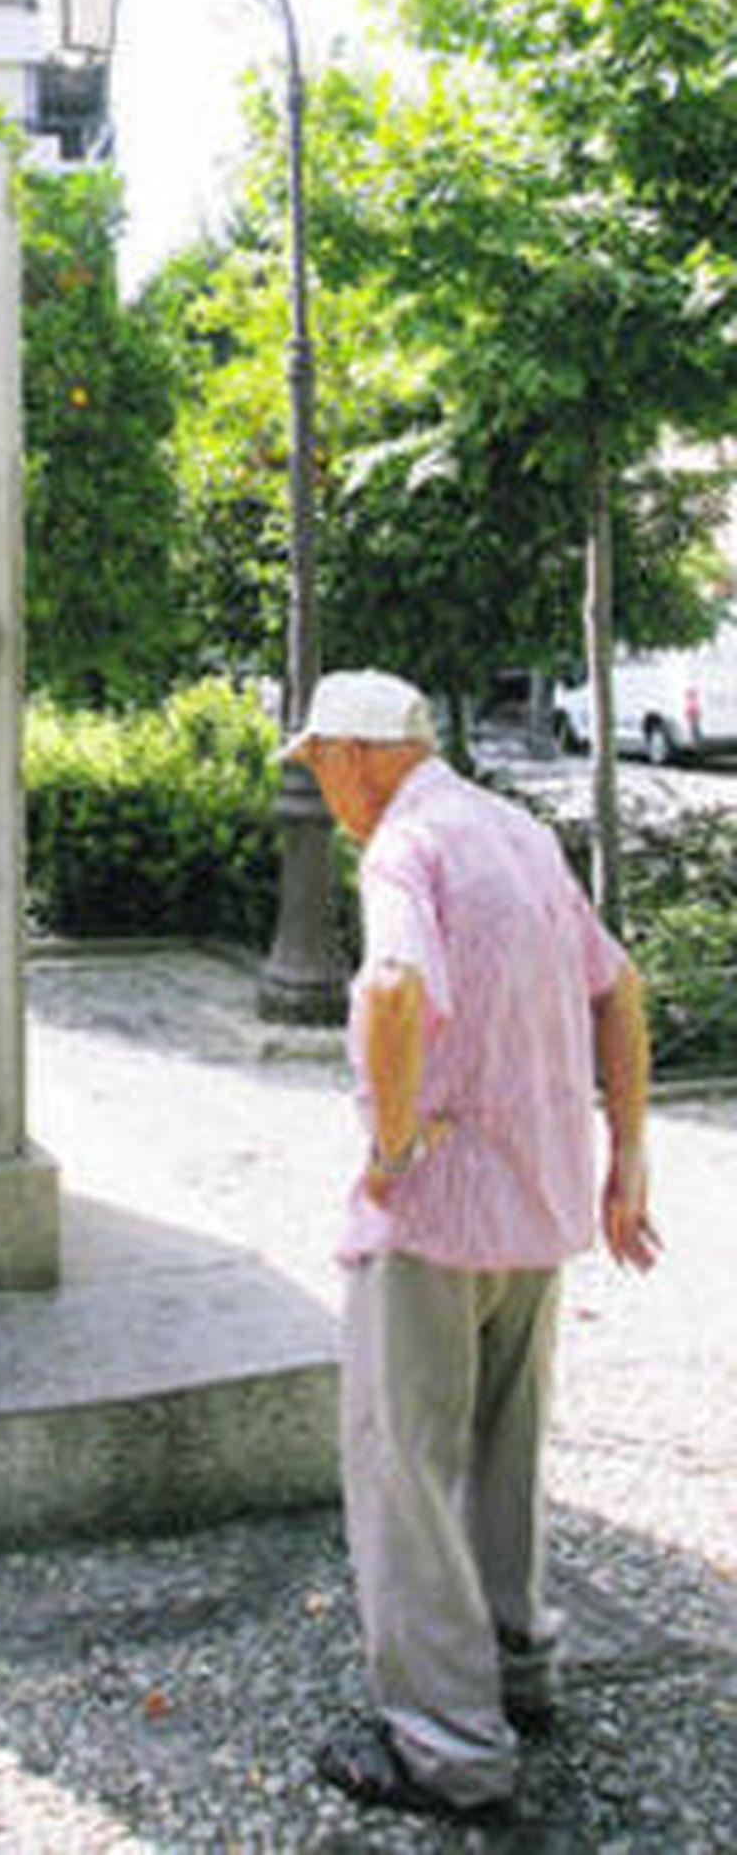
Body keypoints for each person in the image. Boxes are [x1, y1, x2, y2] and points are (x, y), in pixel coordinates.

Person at [284, 669, 660, 1823]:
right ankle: (517, 1669)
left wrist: (391, 1148)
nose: (320, 790)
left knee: (408, 1471)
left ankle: (448, 1749)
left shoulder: (404, 850)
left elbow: (394, 985)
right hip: (535, 1209)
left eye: (318, 766)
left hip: (436, 1216)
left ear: (361, 756)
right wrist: (626, 1163)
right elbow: (621, 986)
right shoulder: (515, 830)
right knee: (506, 1446)